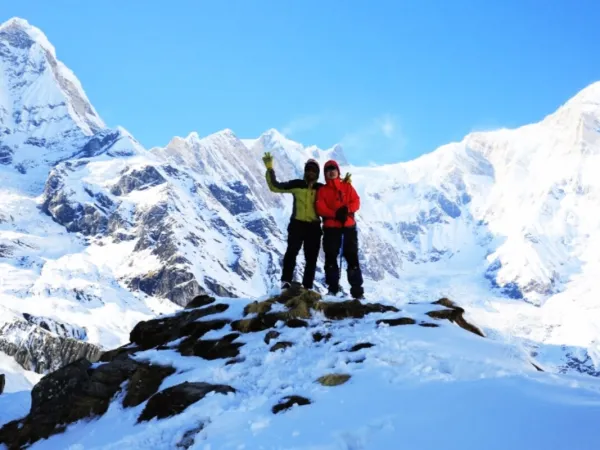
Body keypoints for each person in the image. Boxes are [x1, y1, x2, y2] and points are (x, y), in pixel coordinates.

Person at [262, 151, 323, 291]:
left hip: (314, 227)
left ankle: (307, 287)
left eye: (314, 170)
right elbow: (275, 186)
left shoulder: (321, 188)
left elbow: (335, 196)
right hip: (297, 224)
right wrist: (270, 169)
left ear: (317, 173)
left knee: (311, 259)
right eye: (308, 169)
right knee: (291, 253)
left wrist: (344, 185)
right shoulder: (297, 184)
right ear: (305, 171)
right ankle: (286, 281)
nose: (311, 172)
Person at [315, 159, 364, 299]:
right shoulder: (323, 190)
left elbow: (356, 201)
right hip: (331, 229)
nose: (331, 172)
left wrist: (347, 209)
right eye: (328, 170)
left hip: (348, 228)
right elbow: (320, 207)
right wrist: (335, 214)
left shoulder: (347, 187)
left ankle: (357, 291)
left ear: (338, 171)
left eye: (333, 169)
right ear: (325, 174)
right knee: (331, 259)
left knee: (352, 259)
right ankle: (333, 289)